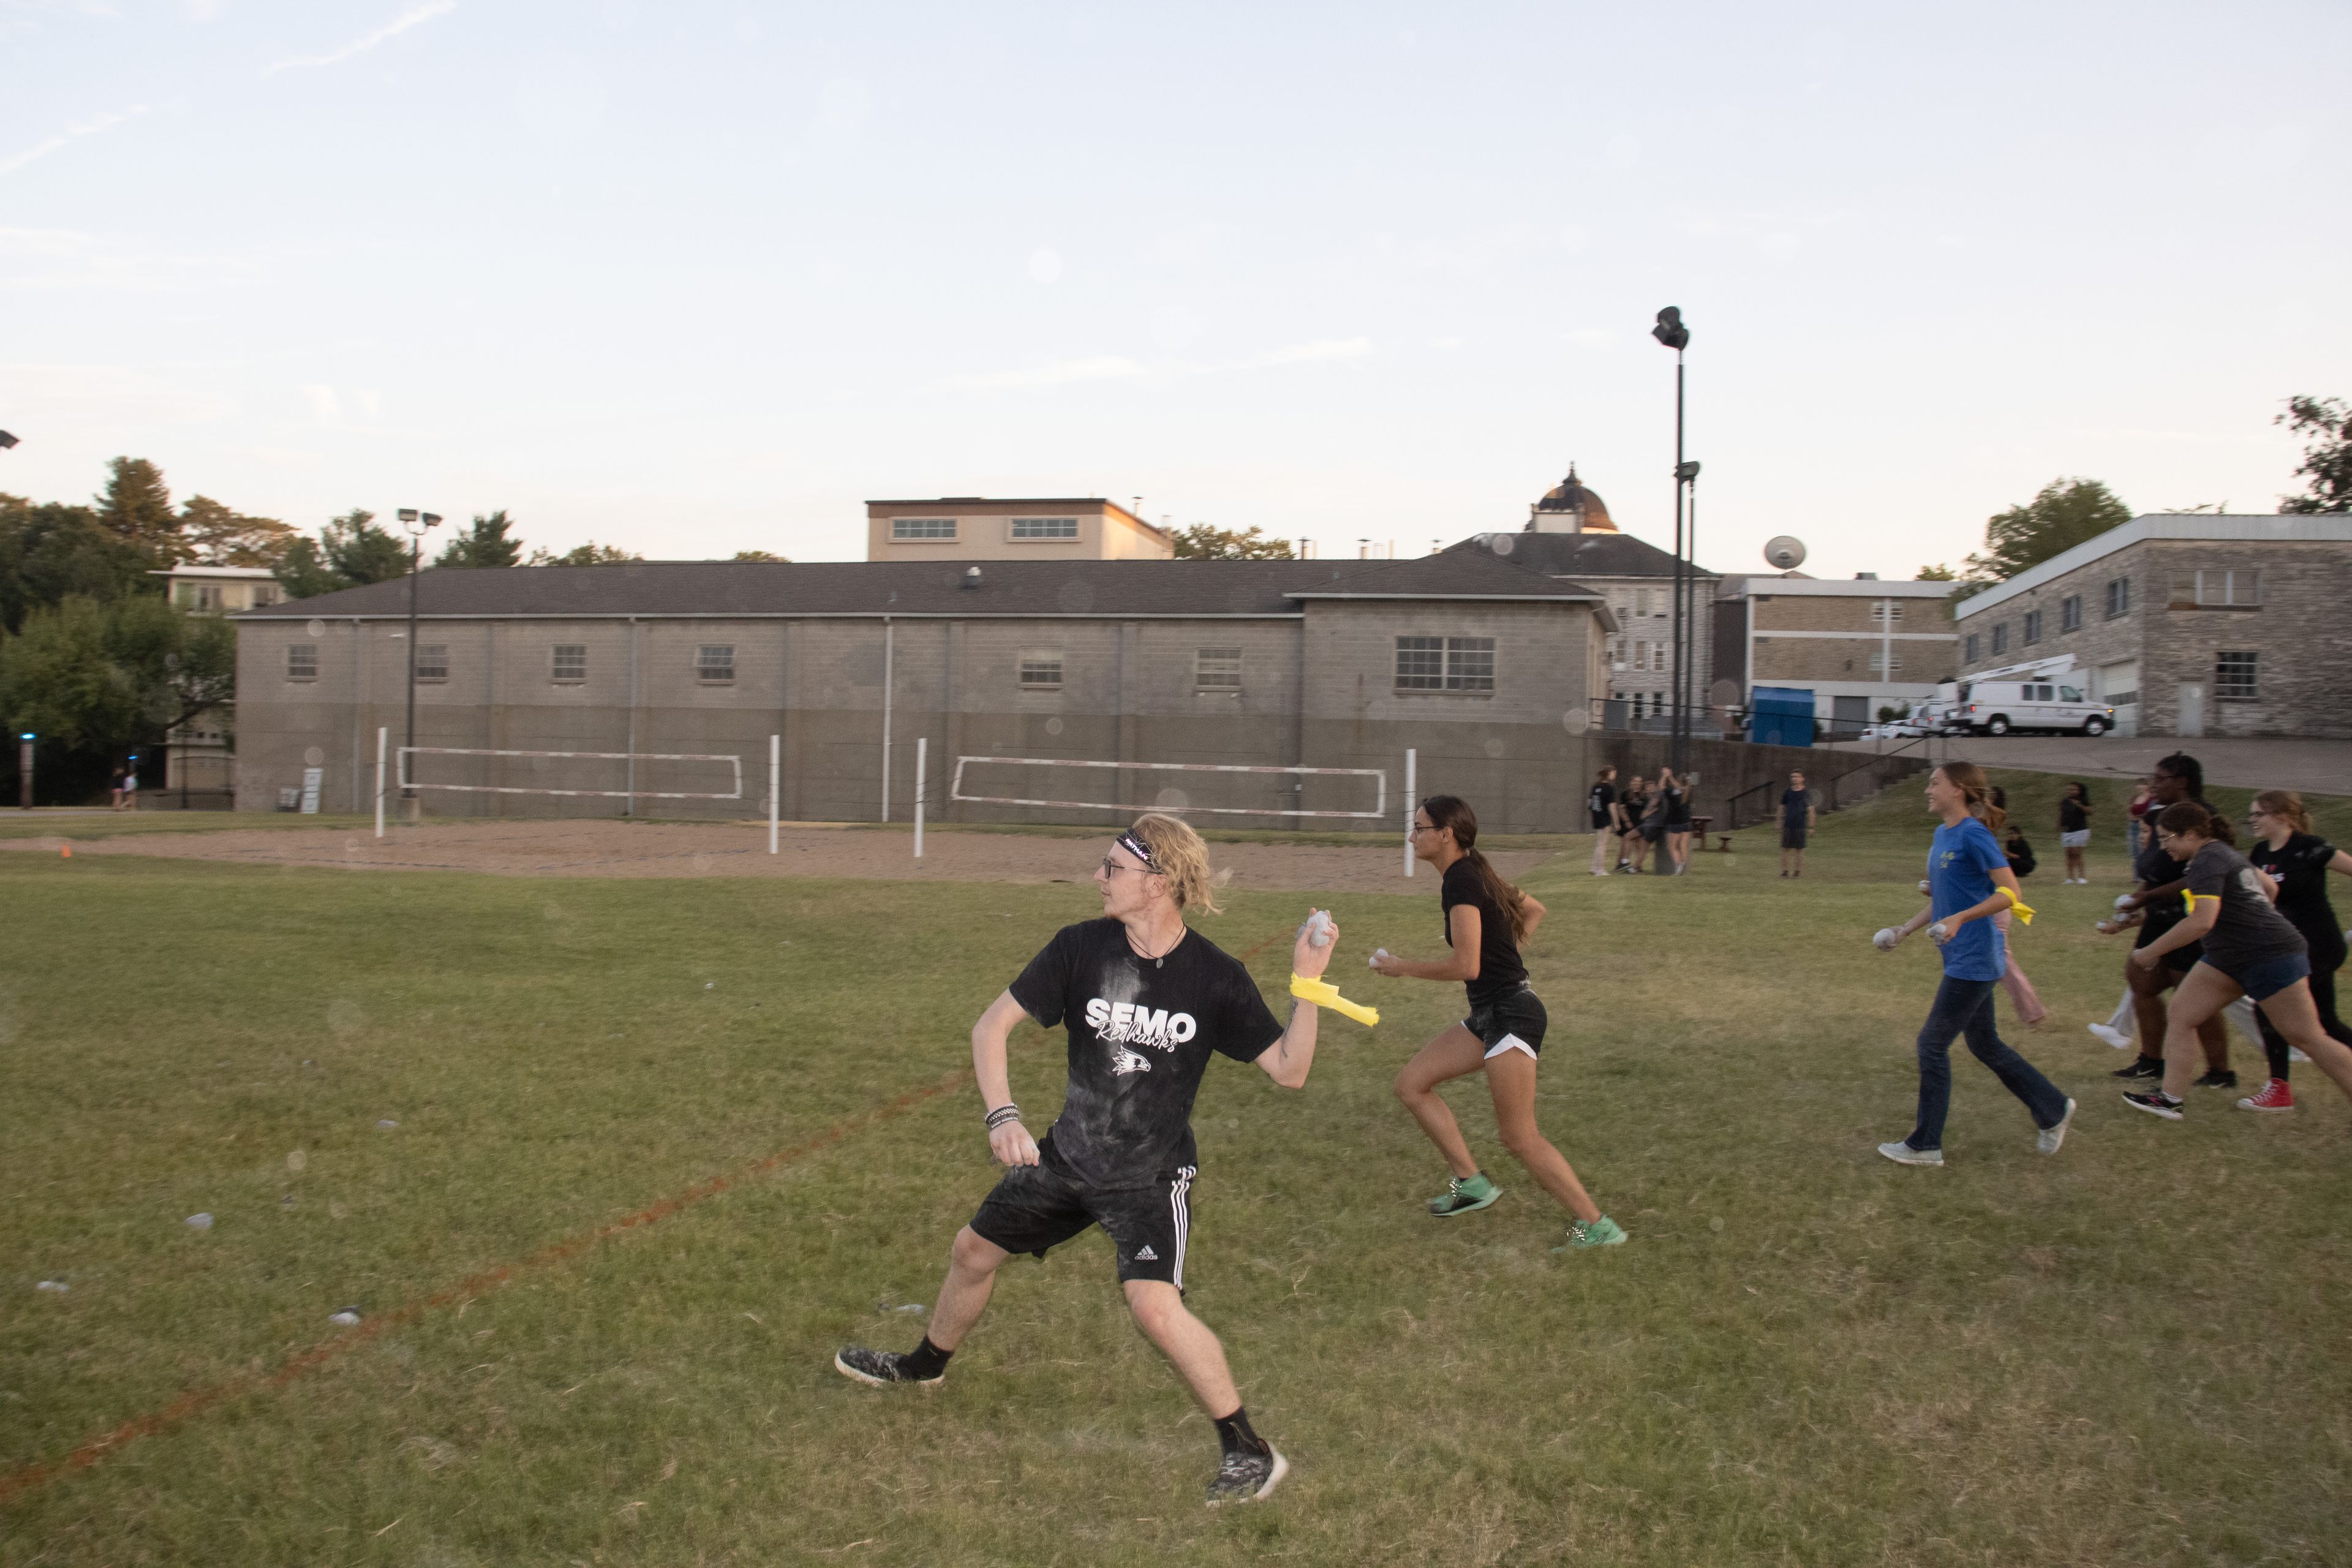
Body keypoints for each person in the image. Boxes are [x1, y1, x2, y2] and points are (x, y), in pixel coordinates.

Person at [831, 813, 1336, 1507]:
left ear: (1158, 883)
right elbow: (991, 1027)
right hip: (1068, 1157)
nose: (1098, 878)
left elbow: (1290, 1069)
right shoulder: (1079, 949)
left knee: (1153, 1308)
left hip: (1150, 1175)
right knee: (973, 1251)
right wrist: (1003, 1114)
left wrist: (1307, 982)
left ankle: (1250, 1449)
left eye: (1113, 869)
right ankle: (924, 1367)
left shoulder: (1215, 976)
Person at [1375, 794, 1627, 1250]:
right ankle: (1471, 1183)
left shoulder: (1462, 881)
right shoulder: (1475, 870)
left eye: (1419, 828)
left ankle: (1596, 1225)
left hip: (1512, 1013)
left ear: (1445, 835)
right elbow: (1534, 910)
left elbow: (1467, 966)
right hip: (1491, 1013)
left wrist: (1401, 966)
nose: (1413, 837)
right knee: (1412, 1084)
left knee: (1519, 1137)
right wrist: (1507, 956)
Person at [1872, 762, 2075, 1166]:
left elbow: (2011, 893)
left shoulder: (1974, 835)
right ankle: (2052, 1108)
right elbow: (1946, 899)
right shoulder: (1942, 834)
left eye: (1935, 783)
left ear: (1959, 791)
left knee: (1931, 1045)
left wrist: (1962, 919)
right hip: (1960, 958)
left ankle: (1925, 1145)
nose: (1927, 790)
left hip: (1976, 959)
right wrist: (1905, 930)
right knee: (1985, 1044)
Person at [2122, 801, 2352, 1121]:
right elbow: (2269, 887)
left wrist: (2150, 952)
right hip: (2228, 956)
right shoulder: (2221, 854)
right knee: (2183, 1014)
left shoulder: (2207, 860)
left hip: (2271, 956)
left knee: (2307, 1037)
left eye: (2167, 838)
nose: (2163, 846)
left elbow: (2202, 921)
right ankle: (2170, 1099)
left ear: (2190, 834)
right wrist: (2252, 915)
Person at [2107, 753, 2234, 1088]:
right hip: (2159, 915)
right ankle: (2151, 1061)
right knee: (2140, 979)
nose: (2154, 784)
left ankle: (2220, 1072)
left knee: (2191, 995)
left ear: (2182, 782)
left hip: (2191, 917)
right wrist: (2139, 898)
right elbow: (2153, 867)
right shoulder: (2155, 814)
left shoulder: (2206, 819)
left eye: (2161, 778)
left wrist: (2149, 895)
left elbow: (2203, 875)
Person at [2237, 790, 2352, 1112]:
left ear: (2284, 817)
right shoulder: (2259, 852)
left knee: (2269, 1006)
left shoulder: (2310, 848)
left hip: (2320, 944)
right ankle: (2279, 1089)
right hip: (2285, 947)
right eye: (2252, 815)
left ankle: (2279, 1090)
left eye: (2259, 814)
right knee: (2326, 1022)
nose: (2253, 821)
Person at [1779, 770, 1815, 878]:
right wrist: (1779, 823)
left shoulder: (1806, 794)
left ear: (1802, 779)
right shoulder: (1787, 793)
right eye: (1792, 777)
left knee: (1799, 851)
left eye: (1797, 777)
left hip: (1800, 826)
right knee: (1785, 849)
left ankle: (1797, 873)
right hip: (1788, 826)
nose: (1794, 779)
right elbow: (1781, 808)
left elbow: (1811, 812)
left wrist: (1811, 827)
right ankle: (1785, 872)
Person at [1660, 767, 1695, 875]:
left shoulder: (1672, 791)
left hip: (1675, 822)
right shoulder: (1689, 791)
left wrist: (1666, 776)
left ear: (1679, 780)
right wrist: (1670, 777)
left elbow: (1661, 788)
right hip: (1687, 823)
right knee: (1683, 846)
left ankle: (1679, 865)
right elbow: (1680, 788)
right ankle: (1684, 866)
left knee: (1672, 847)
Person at [1587, 766, 1621, 876]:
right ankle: (1600, 870)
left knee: (1599, 843)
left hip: (1596, 816)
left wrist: (1595, 812)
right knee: (1603, 844)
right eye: (1614, 773)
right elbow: (1612, 806)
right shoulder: (1610, 788)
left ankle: (1594, 867)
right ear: (1609, 773)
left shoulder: (1596, 786)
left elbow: (1589, 803)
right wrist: (1617, 822)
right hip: (1605, 818)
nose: (1615, 775)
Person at [2058, 782, 2092, 884]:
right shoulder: (2065, 801)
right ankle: (2070, 878)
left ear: (2079, 791)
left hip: (2080, 830)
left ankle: (2082, 877)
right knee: (2069, 854)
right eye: (2070, 790)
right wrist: (2059, 825)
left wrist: (2079, 805)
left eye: (2074, 790)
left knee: (2077, 853)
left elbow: (2090, 812)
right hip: (2067, 830)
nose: (2072, 791)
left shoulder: (2083, 800)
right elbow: (2061, 813)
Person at [1616, 776, 1650, 872]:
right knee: (1626, 843)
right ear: (1631, 782)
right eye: (1635, 781)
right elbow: (1621, 809)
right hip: (1628, 823)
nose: (1637, 783)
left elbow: (1646, 811)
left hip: (1640, 823)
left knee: (1639, 844)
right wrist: (1627, 821)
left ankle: (1638, 866)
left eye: (1639, 782)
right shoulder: (1626, 794)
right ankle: (1622, 864)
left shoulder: (1644, 796)